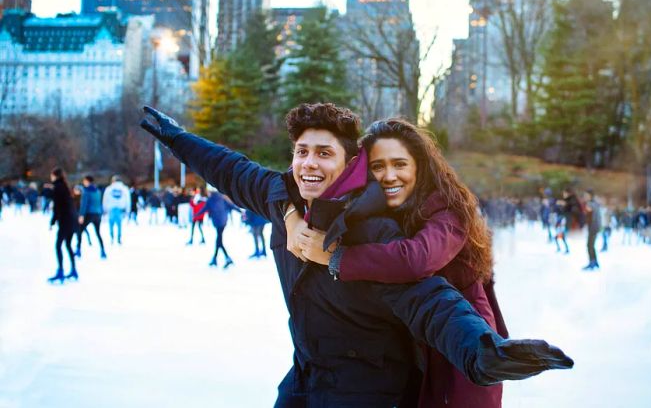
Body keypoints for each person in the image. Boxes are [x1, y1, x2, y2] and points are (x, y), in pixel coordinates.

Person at [141, 103, 573, 406]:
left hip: (370, 390)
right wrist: (178, 139)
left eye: (324, 153)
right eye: (302, 152)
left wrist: (483, 350)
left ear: (351, 165)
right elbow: (233, 170)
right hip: (306, 377)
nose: (309, 163)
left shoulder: (377, 230)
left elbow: (429, 298)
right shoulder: (284, 201)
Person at [286, 118, 507, 407]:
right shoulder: (382, 209)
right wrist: (290, 214)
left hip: (459, 334)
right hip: (411, 337)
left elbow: (417, 259)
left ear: (420, 166)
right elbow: (283, 180)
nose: (388, 176)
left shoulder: (448, 209)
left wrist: (336, 257)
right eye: (377, 166)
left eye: (400, 164)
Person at [48, 167, 79, 283]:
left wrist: (52, 221)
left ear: (55, 175)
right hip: (71, 220)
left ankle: (60, 271)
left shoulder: (57, 188)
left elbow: (57, 207)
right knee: (68, 245)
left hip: (65, 220)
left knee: (58, 246)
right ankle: (74, 270)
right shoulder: (66, 187)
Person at [77, 175, 106, 259]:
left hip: (88, 214)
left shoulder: (86, 191)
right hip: (97, 214)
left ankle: (78, 250)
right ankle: (102, 250)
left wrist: (81, 215)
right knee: (98, 233)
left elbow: (84, 204)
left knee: (80, 231)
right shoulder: (98, 191)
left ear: (87, 181)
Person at [103, 175, 130, 245]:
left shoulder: (109, 189)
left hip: (111, 209)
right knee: (119, 225)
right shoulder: (124, 189)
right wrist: (128, 210)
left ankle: (112, 238)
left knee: (111, 225)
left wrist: (105, 209)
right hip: (120, 209)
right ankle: (118, 239)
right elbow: (128, 200)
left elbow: (105, 200)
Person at [582, 189, 601, 270]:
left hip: (593, 227)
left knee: (589, 245)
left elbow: (588, 213)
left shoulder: (590, 204)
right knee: (591, 245)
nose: (584, 197)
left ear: (590, 196)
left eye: (586, 195)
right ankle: (595, 262)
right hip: (595, 227)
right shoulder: (595, 203)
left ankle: (592, 262)